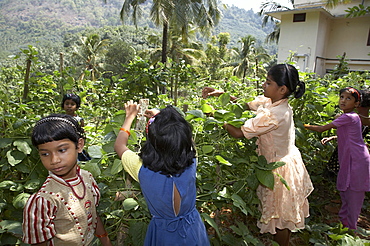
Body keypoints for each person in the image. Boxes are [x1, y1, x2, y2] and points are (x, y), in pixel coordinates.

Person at [202, 64, 314, 246]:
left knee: (281, 217)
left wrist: (214, 116)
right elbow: (246, 105)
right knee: (280, 214)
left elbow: (239, 132)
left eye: (268, 82)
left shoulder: (275, 114)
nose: (264, 85)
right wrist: (219, 93)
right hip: (282, 161)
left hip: (278, 169)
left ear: (282, 89)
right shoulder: (273, 103)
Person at [114, 101, 210, 246]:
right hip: (193, 231)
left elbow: (119, 145)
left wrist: (129, 116)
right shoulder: (191, 163)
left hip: (163, 235)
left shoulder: (142, 170)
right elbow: (187, 141)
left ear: (151, 144)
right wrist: (161, 117)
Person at [22, 113, 112, 246]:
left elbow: (92, 213)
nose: (54, 160)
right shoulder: (43, 200)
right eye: (45, 154)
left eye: (62, 150)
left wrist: (105, 240)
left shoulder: (87, 178)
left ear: (79, 145)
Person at [305, 87, 370, 231]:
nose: (343, 101)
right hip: (351, 156)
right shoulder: (351, 117)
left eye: (348, 99)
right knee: (346, 190)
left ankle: (351, 229)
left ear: (356, 104)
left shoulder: (349, 116)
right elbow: (352, 134)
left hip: (356, 158)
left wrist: (304, 125)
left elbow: (321, 128)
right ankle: (344, 223)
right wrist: (334, 137)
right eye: (342, 97)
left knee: (354, 194)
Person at [62, 93, 91, 161]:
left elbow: (83, 132)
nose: (69, 106)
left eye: (72, 104)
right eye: (67, 104)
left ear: (77, 107)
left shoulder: (79, 120)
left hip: (76, 143)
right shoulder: (60, 119)